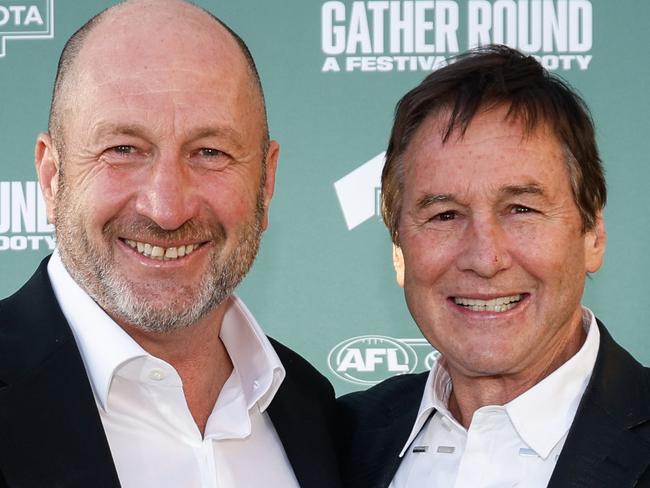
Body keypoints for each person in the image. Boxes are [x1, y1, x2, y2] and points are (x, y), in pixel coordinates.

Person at [0, 1, 340, 487]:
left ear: (266, 182)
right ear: (53, 177)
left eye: (209, 152)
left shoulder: (313, 409)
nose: (166, 208)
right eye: (123, 149)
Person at [338, 45, 650, 488]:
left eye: (521, 209)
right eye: (444, 215)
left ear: (592, 235)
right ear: (399, 247)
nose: (485, 259)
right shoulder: (337, 443)